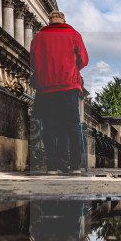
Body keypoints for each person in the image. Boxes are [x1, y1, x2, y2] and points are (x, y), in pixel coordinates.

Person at [29, 11, 88, 173]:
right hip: (69, 86)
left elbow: (32, 61)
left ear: (49, 21)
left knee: (49, 127)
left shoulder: (38, 37)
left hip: (47, 89)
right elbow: (83, 60)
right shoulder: (74, 35)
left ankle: (52, 166)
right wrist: (71, 68)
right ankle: (75, 165)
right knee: (73, 127)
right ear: (63, 20)